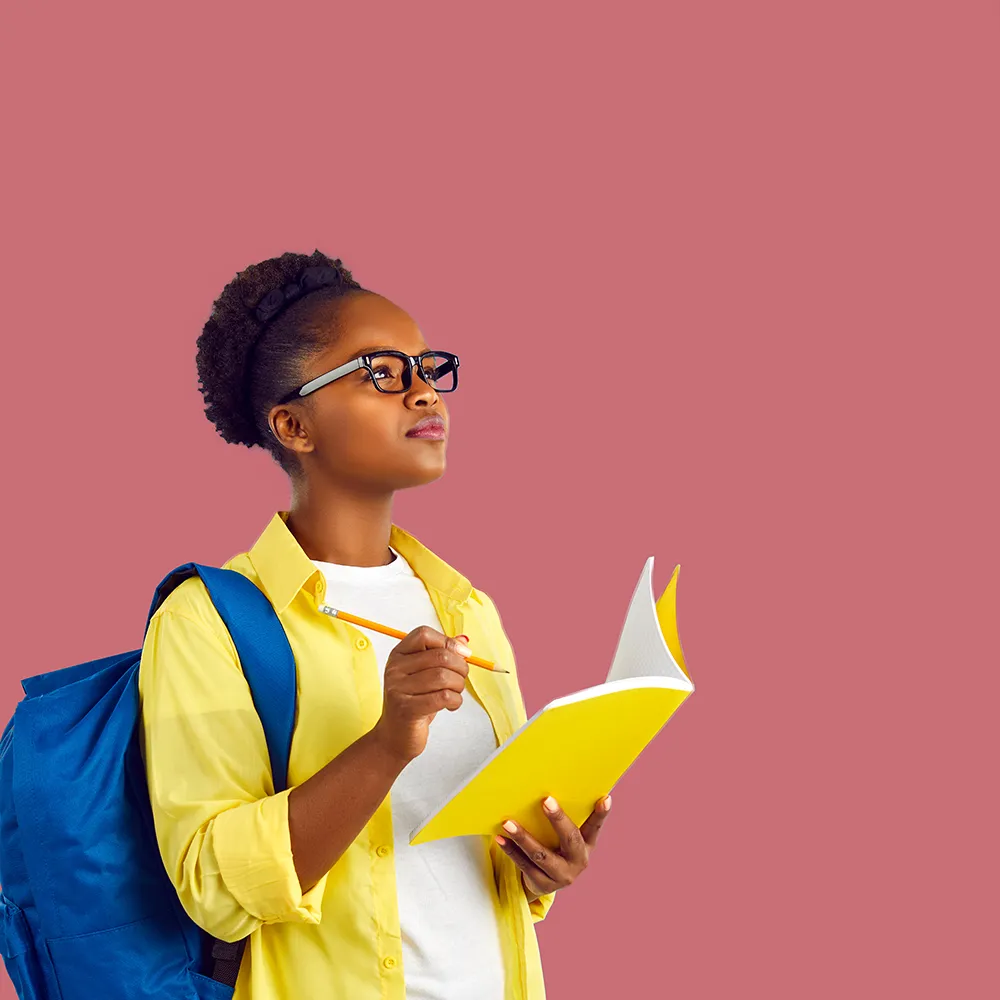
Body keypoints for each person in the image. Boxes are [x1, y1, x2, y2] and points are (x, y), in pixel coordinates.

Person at [137, 250, 612, 1000]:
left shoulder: (468, 610)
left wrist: (544, 863)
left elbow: (471, 869)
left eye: (428, 369)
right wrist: (388, 743)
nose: (425, 394)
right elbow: (214, 888)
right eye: (384, 374)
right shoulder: (208, 621)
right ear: (294, 424)